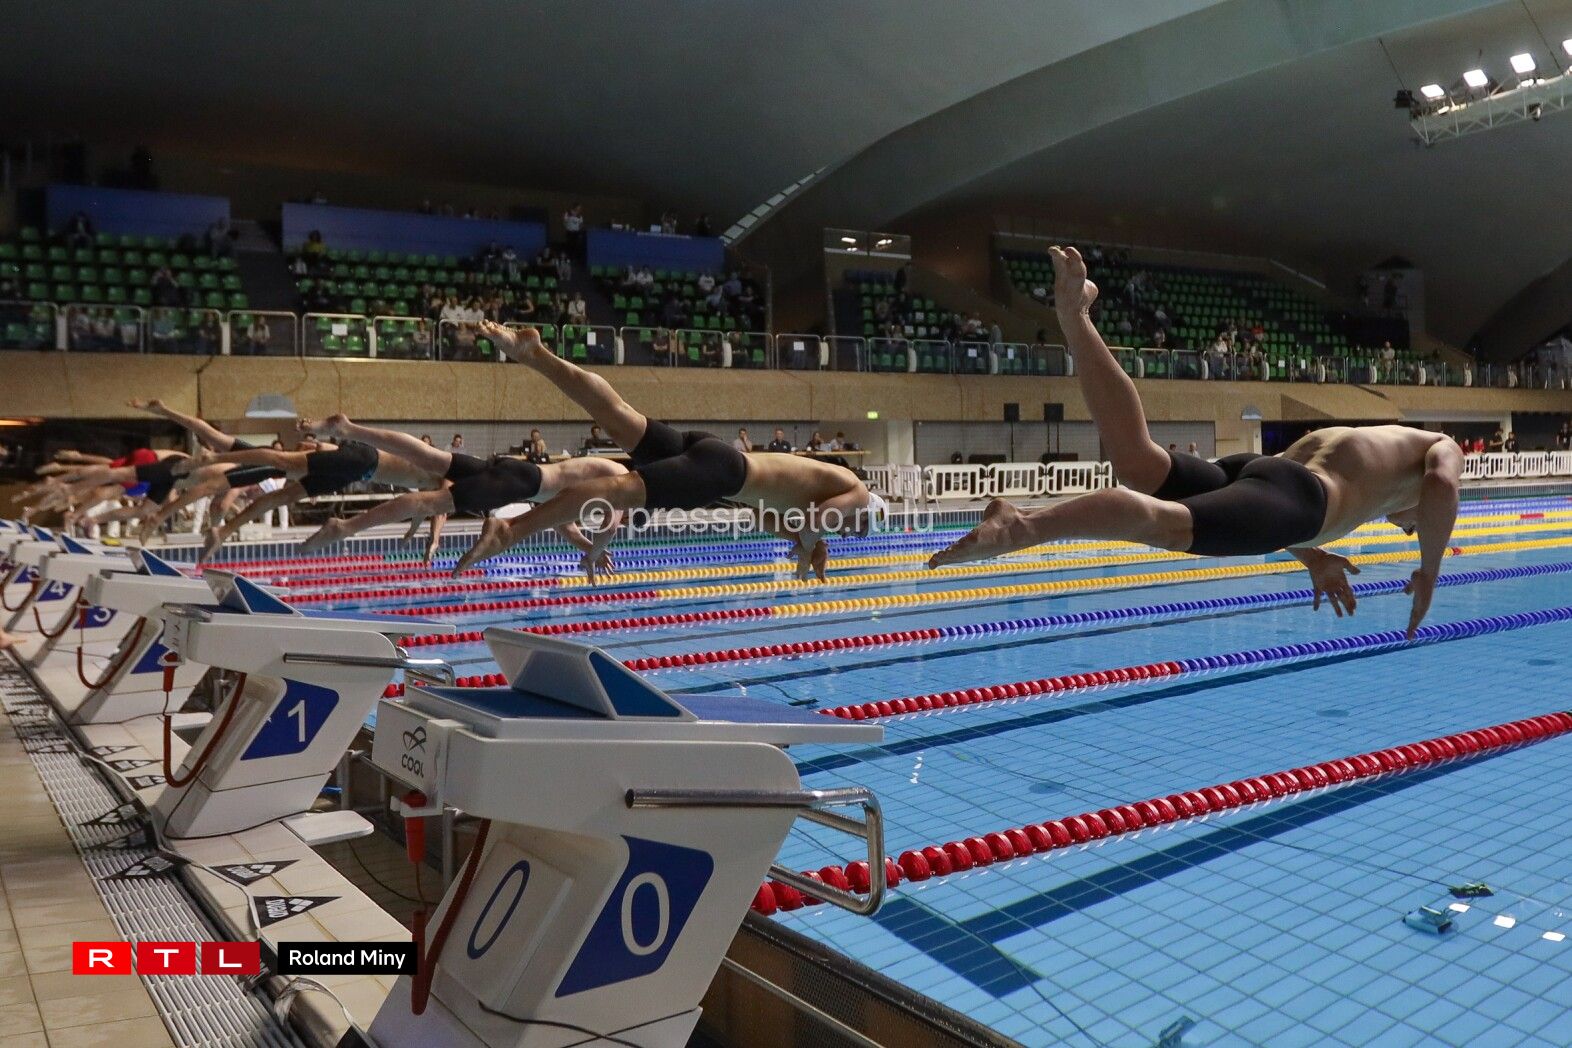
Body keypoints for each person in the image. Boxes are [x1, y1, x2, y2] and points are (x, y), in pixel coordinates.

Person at [929, 246, 1461, 637]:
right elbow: (1441, 484)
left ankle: (1076, 317)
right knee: (1164, 524)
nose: (1404, 525)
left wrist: (1314, 559)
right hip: (1301, 496)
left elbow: (1266, 505)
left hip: (1263, 472)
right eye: (1411, 524)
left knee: (1139, 462)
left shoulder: (1386, 445)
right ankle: (1024, 525)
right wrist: (1430, 570)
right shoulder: (1442, 448)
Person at [452, 323, 885, 581]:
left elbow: (762, 515)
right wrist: (809, 550)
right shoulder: (859, 494)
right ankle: (511, 532)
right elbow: (815, 524)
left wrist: (798, 540)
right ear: (869, 512)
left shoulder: (817, 492)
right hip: (722, 472)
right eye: (859, 529)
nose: (851, 533)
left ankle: (535, 354)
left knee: (617, 414)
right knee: (617, 490)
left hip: (718, 462)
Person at [294, 415, 625, 573]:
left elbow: (563, 523)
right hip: (519, 483)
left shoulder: (602, 475)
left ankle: (348, 429)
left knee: (428, 457)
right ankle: (345, 527)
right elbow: (609, 528)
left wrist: (587, 548)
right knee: (428, 502)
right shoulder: (624, 483)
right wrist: (594, 553)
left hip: (517, 473)